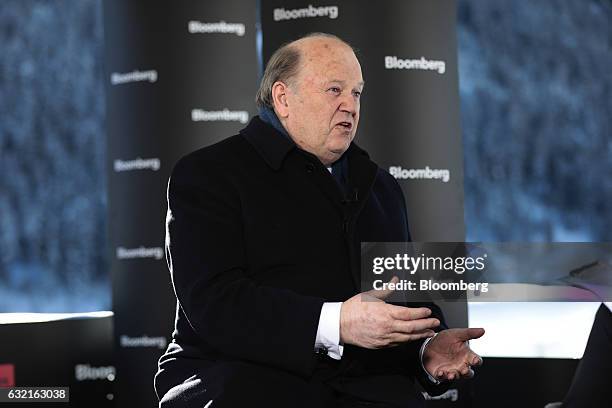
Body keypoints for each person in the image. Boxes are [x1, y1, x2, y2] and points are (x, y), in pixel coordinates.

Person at [154, 32, 484, 408]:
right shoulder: (209, 174)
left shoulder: (381, 188)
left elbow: (403, 298)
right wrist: (338, 323)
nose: (350, 105)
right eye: (334, 90)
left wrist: (427, 349)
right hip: (240, 378)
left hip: (365, 387)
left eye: (357, 93)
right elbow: (216, 304)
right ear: (283, 98)